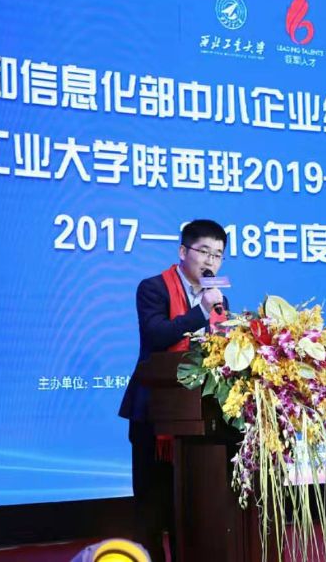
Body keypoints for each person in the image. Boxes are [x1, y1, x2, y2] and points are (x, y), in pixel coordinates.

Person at [118, 219, 229, 562]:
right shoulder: (153, 288)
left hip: (200, 418)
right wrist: (201, 311)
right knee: (151, 512)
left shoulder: (220, 299)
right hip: (154, 415)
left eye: (218, 254)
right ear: (183, 251)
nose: (211, 261)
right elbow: (156, 335)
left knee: (191, 511)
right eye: (204, 251)